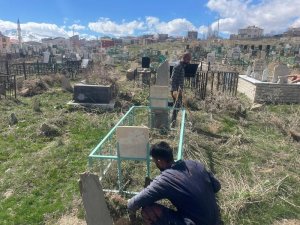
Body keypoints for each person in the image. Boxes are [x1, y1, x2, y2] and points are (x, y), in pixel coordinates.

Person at [127, 141, 221, 225]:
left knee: (148, 210)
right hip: (215, 219)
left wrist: (129, 210)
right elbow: (217, 186)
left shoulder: (165, 180)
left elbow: (134, 203)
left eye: (154, 161)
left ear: (159, 161)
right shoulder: (194, 164)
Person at [170, 52, 192, 126]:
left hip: (179, 90)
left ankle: (173, 122)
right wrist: (174, 91)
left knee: (177, 106)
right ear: (185, 58)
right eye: (188, 59)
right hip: (176, 90)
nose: (189, 61)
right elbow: (173, 79)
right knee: (177, 106)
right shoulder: (178, 66)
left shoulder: (182, 66)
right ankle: (172, 123)